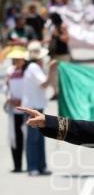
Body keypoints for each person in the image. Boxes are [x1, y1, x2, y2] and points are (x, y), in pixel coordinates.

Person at [22, 41, 56, 176]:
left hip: (36, 107)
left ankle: (41, 166)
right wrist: (52, 71)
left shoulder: (32, 67)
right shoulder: (33, 67)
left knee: (39, 137)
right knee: (33, 139)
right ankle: (33, 167)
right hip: (33, 108)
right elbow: (44, 84)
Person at [4, 46, 26, 172]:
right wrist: (9, 99)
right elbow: (5, 88)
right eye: (15, 59)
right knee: (14, 138)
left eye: (20, 59)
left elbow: (29, 89)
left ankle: (30, 163)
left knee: (25, 137)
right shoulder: (9, 71)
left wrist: (23, 101)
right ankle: (17, 165)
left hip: (25, 109)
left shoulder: (26, 72)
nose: (17, 61)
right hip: (14, 110)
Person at [46, 12, 70, 100]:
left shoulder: (62, 27)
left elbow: (67, 38)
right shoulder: (53, 27)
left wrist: (58, 35)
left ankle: (63, 93)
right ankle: (56, 92)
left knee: (63, 74)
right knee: (52, 74)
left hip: (63, 54)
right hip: (54, 54)